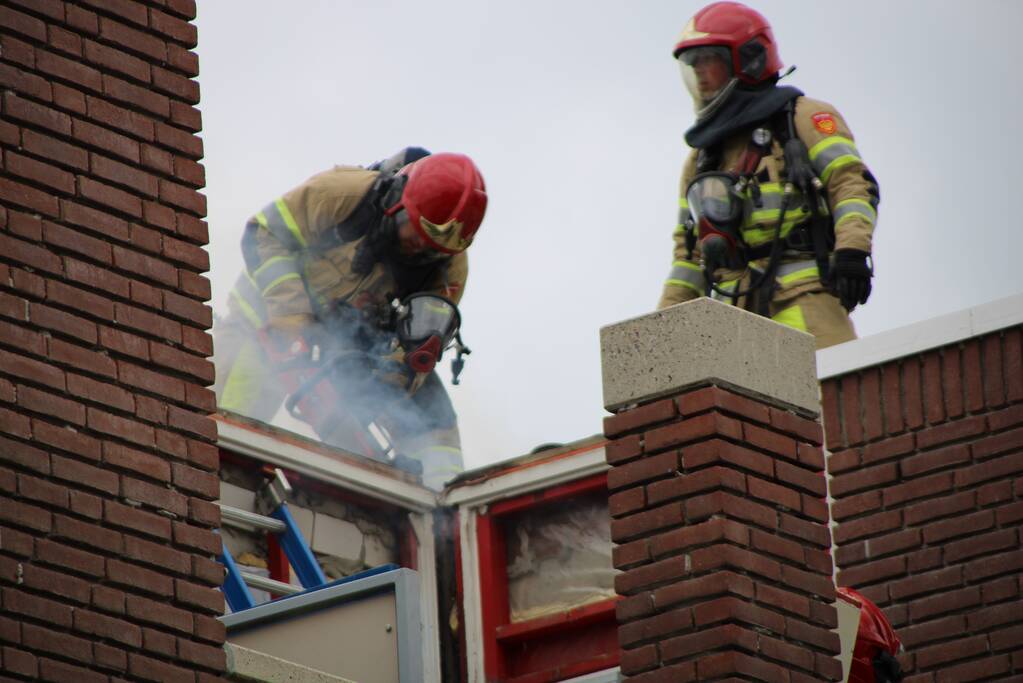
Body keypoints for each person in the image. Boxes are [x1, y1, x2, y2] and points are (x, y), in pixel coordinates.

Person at [212, 148, 487, 489]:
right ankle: (217, 490)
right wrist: (291, 314)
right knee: (225, 423)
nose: (417, 247)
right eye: (413, 231)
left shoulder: (449, 269)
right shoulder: (342, 193)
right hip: (260, 321)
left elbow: (422, 346)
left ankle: (442, 500)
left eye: (431, 248)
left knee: (433, 414)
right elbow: (263, 233)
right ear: (397, 202)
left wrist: (391, 378)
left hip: (345, 342)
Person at [657, 1, 879, 349]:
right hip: (736, 319)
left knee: (836, 395)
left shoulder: (805, 118)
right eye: (692, 65)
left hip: (808, 301)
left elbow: (851, 184)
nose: (699, 74)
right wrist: (664, 335)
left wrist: (852, 250)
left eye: (707, 61)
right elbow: (689, 257)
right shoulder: (702, 159)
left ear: (747, 59)